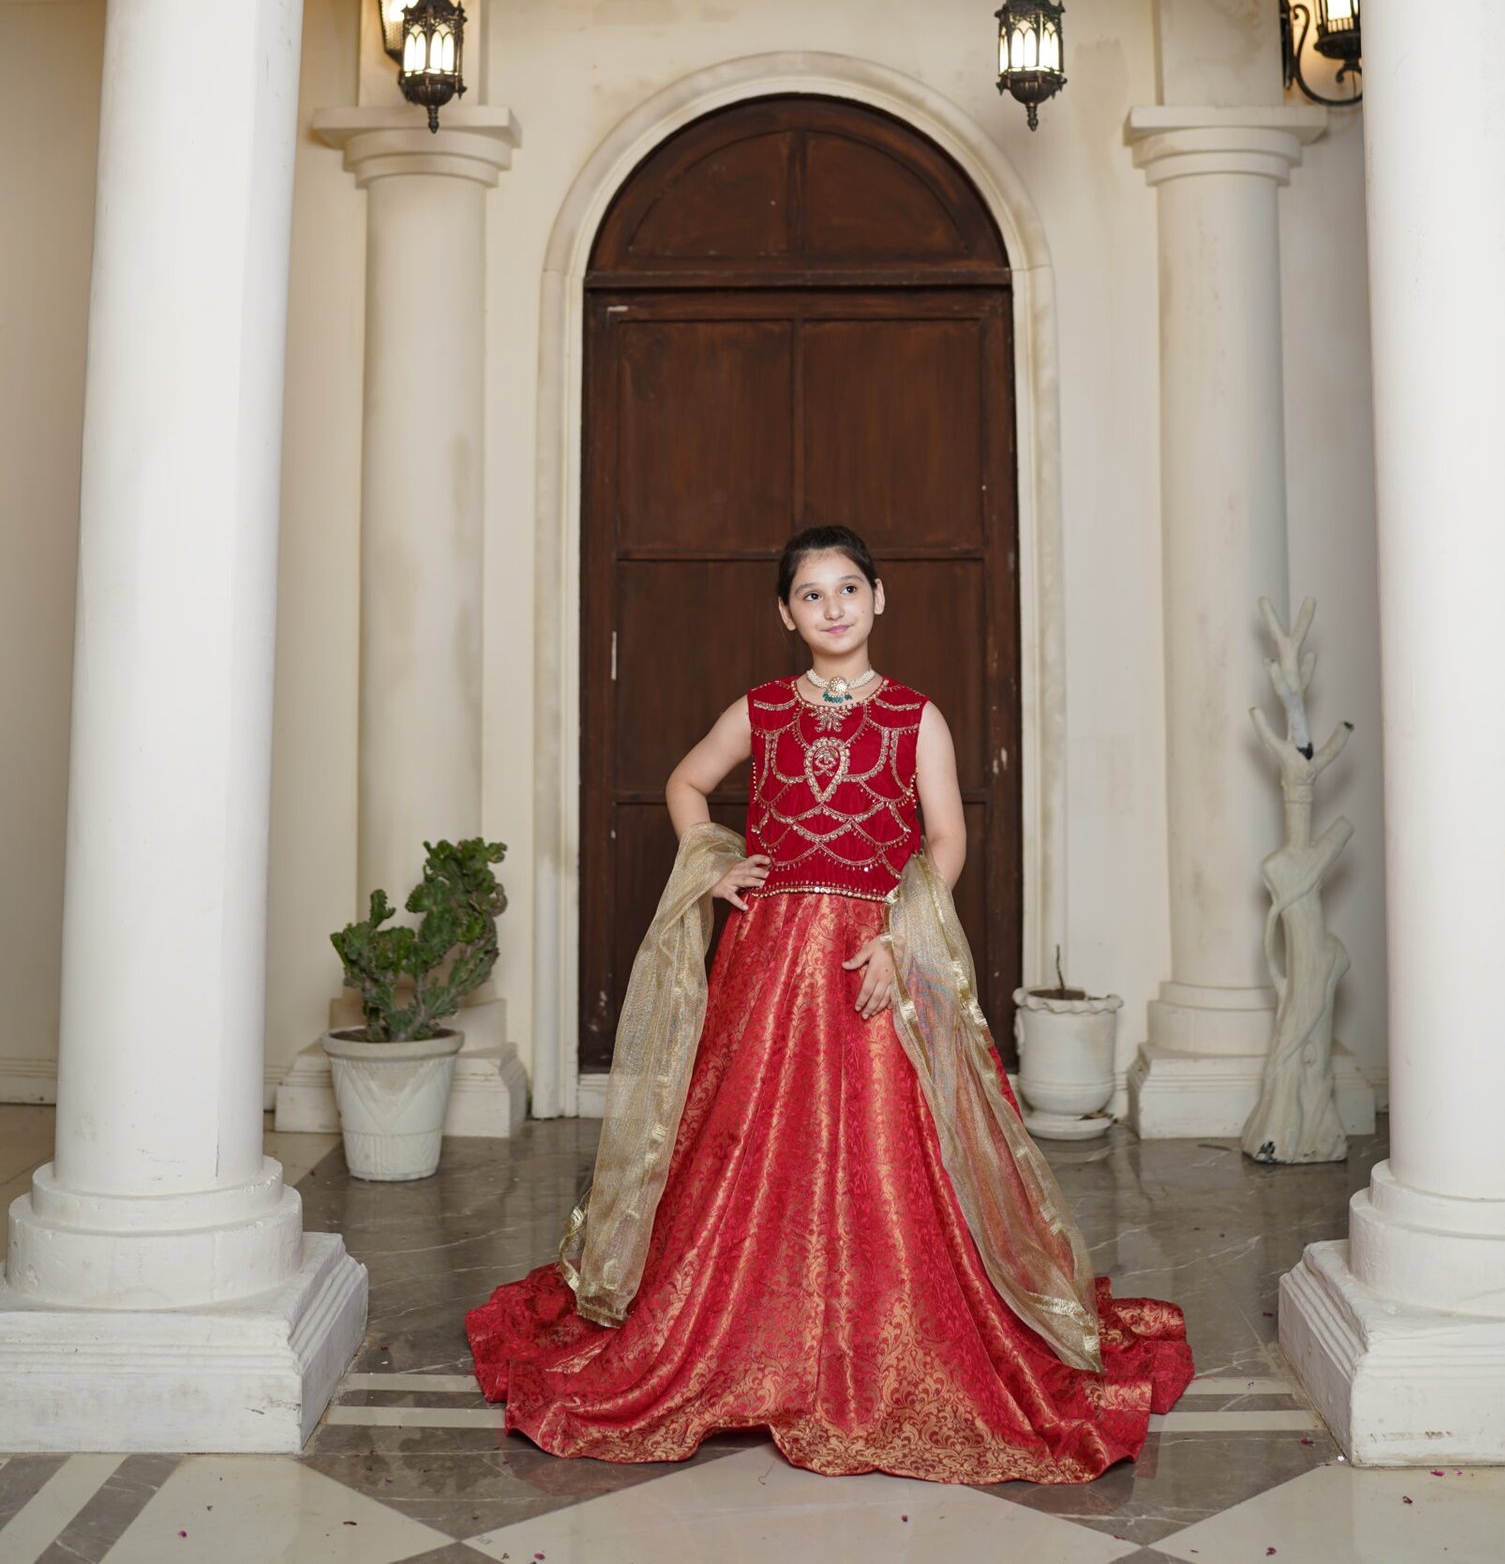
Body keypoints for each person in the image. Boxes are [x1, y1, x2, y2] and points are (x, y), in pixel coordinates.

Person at [467, 525, 1192, 1483]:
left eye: (849, 588)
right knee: (745, 1144)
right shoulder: (764, 709)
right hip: (768, 962)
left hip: (872, 958)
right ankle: (749, 1336)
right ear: (786, 613)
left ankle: (883, 1334)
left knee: (887, 1152)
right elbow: (688, 784)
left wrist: (901, 940)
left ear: (879, 598)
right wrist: (716, 863)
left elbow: (944, 841)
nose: (834, 608)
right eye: (812, 595)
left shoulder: (914, 717)